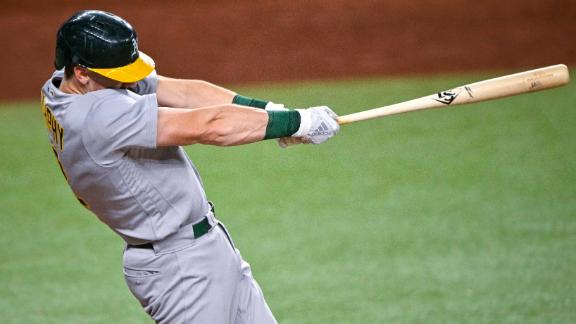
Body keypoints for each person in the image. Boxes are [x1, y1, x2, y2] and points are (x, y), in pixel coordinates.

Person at [40, 10, 339, 324]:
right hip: (178, 268)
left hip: (203, 248)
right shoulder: (97, 116)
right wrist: (297, 122)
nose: (129, 80)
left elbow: (183, 93)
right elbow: (209, 125)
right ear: (82, 71)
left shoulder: (62, 87)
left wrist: (271, 112)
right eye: (119, 72)